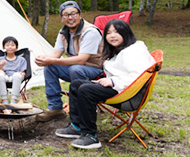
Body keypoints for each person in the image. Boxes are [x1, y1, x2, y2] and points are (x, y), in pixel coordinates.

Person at [55, 19, 154, 149]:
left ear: (126, 33)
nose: (112, 36)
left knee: (86, 89)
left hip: (128, 93)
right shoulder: (120, 50)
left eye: (117, 32)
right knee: (76, 84)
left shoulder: (133, 51)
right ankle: (77, 126)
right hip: (120, 88)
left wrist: (113, 81)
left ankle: (90, 136)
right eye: (108, 33)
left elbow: (139, 77)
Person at [35, 1, 105, 122]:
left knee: (75, 68)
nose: (70, 18)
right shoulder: (63, 32)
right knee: (50, 67)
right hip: (76, 68)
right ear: (62, 18)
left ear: (80, 15)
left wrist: (52, 60)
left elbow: (81, 59)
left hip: (96, 69)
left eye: (73, 13)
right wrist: (45, 59)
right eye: (66, 15)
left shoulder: (90, 32)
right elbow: (55, 54)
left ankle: (79, 110)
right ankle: (55, 108)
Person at [0, 36, 27, 104]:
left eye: (12, 45)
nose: (10, 47)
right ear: (4, 47)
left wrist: (23, 73)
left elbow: (23, 72)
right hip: (5, 76)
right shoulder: (0, 59)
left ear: (16, 47)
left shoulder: (21, 60)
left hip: (16, 77)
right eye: (7, 45)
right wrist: (1, 66)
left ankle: (14, 99)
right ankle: (4, 99)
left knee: (17, 75)